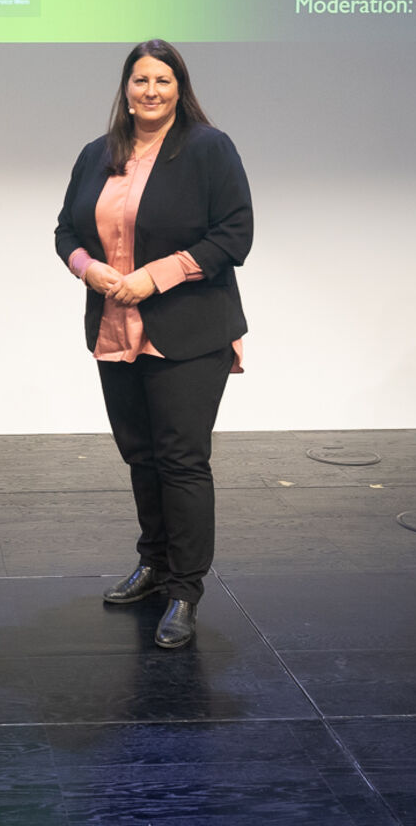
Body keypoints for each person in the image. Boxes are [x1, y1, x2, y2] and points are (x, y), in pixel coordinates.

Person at [54, 40, 254, 649]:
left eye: (161, 80)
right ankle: (155, 563)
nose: (150, 91)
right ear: (126, 88)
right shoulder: (98, 154)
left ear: (179, 86)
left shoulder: (208, 148)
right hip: (115, 330)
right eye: (139, 80)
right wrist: (87, 267)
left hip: (188, 331)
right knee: (140, 454)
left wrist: (155, 275)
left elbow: (235, 234)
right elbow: (66, 230)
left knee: (182, 460)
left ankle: (185, 591)